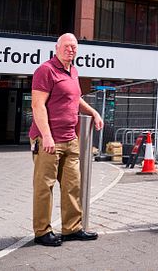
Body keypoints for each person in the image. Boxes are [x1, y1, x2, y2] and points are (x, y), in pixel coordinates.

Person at [29, 33, 104, 246]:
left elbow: (75, 97)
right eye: (66, 46)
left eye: (74, 46)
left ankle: (72, 228)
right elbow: (38, 105)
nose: (70, 49)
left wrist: (93, 112)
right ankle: (42, 231)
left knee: (73, 185)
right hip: (49, 140)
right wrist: (46, 136)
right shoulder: (46, 70)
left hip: (71, 138)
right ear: (57, 47)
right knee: (44, 186)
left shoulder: (73, 71)